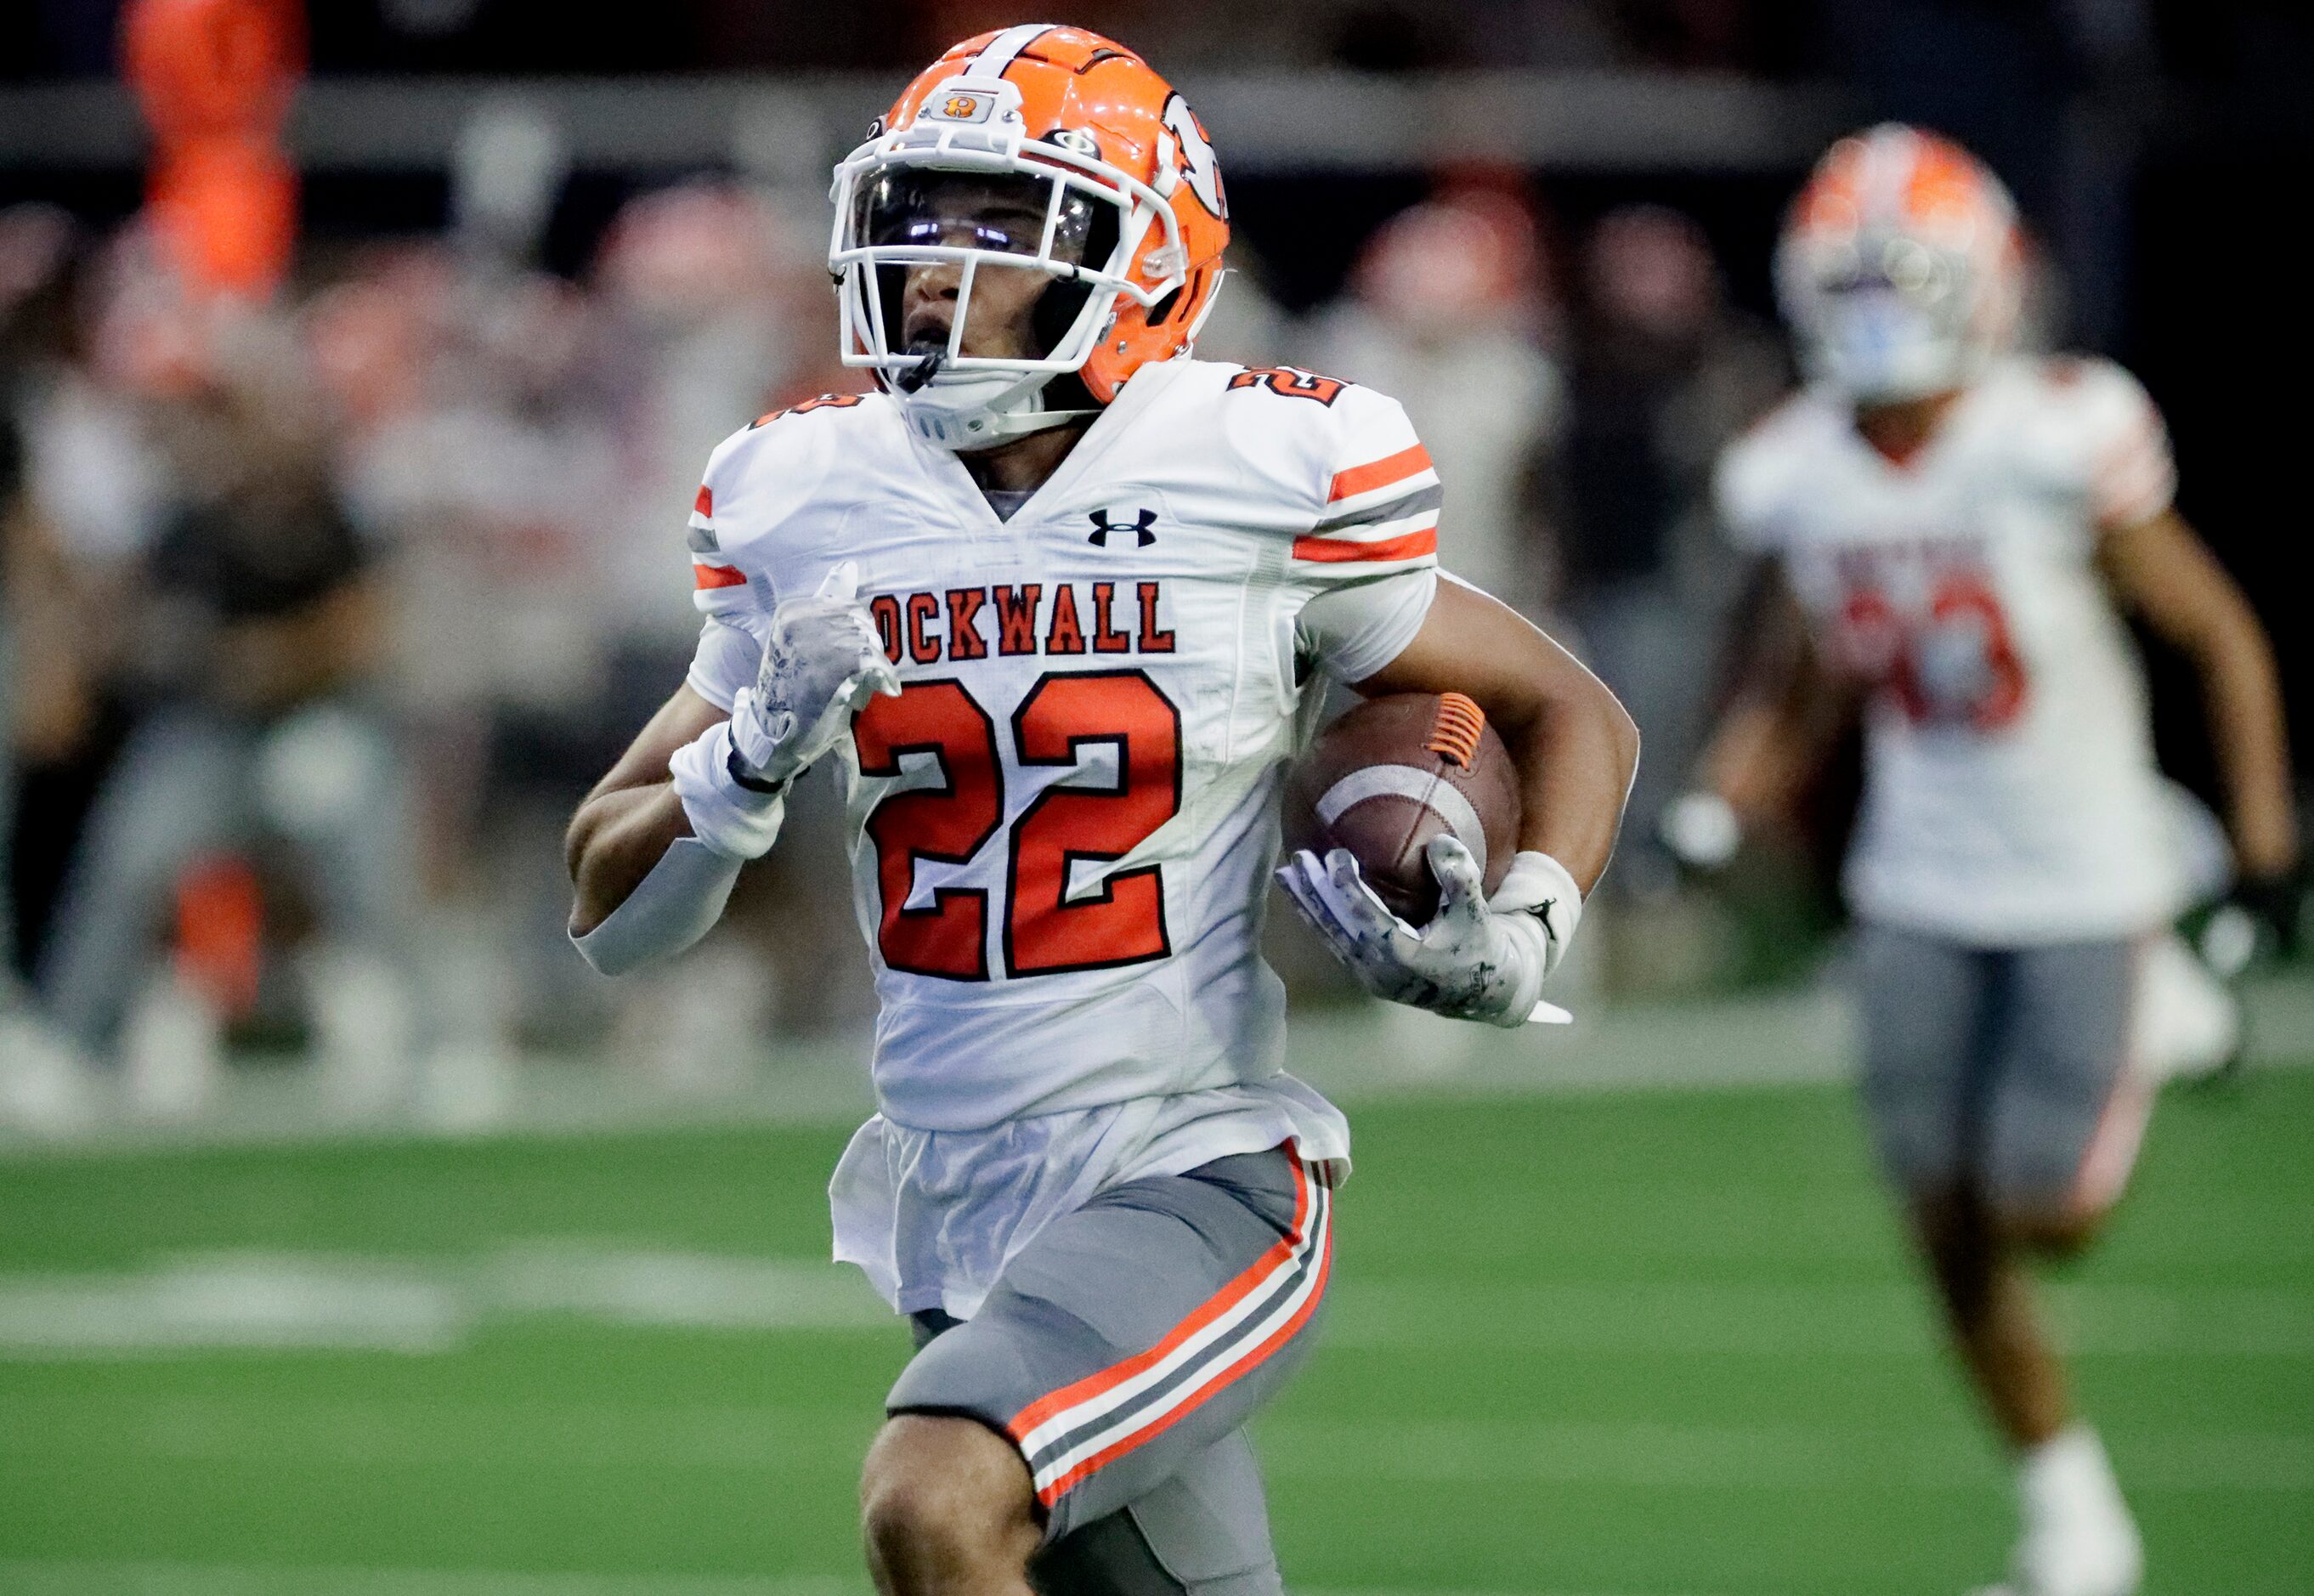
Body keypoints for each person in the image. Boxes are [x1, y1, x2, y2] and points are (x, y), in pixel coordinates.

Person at [564, 25, 1636, 1593]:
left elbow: (1567, 706)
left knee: (936, 1498)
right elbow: (604, 909)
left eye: (1000, 221)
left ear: (1138, 260)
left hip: (1192, 1170)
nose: (934, 262)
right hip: (956, 1196)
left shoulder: (1259, 466)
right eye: (922, 212)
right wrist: (747, 760)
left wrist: (1524, 929)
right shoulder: (808, 493)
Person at [1680, 126, 2299, 1596]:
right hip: (1917, 881)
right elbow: (1812, 664)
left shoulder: (2057, 433)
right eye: (1856, 278)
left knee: (2047, 1211)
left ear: (1987, 281)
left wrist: (2267, 850)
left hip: (2087, 867)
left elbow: (2216, 630)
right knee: (1939, 1216)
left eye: (1907, 276)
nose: (1879, 308)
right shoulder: (1793, 470)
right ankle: (2074, 1515)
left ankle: (2169, 1011)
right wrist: (1727, 791)